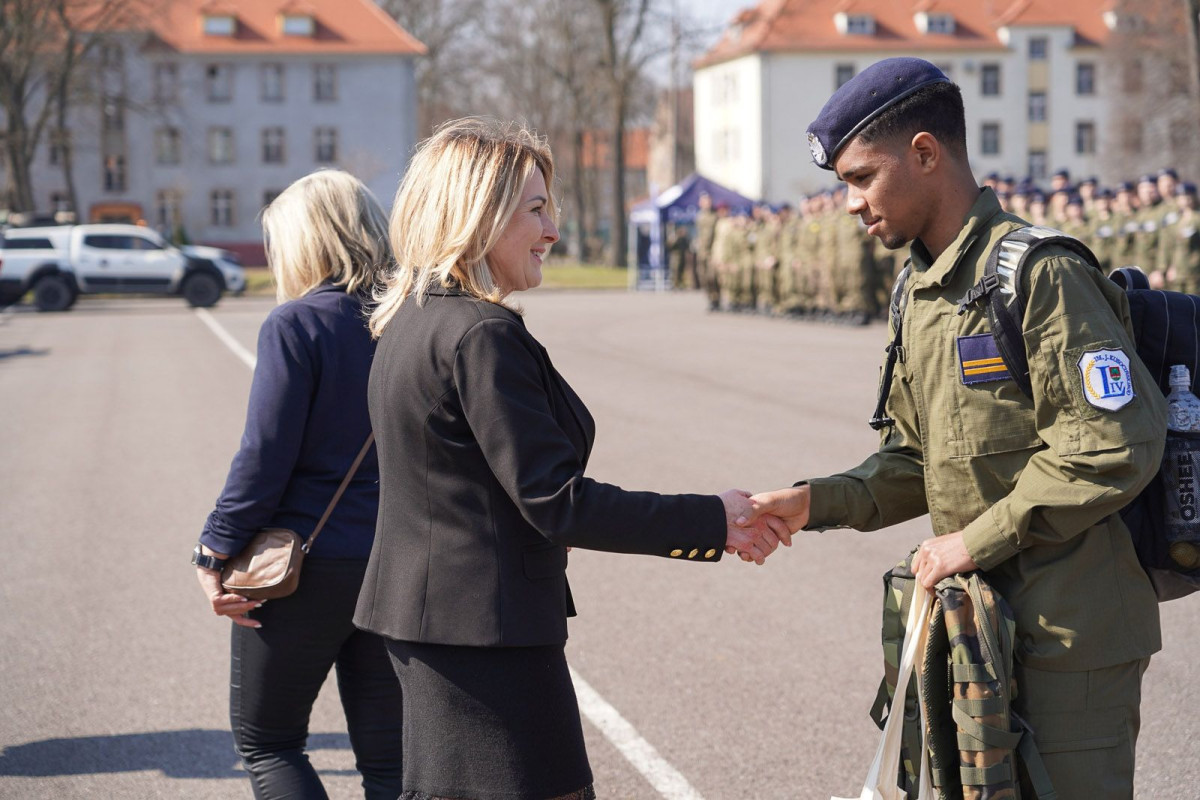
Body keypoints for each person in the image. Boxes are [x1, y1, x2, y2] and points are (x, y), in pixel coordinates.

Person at [746, 58, 1165, 798]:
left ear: (925, 153)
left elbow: (1113, 444)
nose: (850, 203)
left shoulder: (1039, 274)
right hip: (978, 633)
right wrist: (815, 502)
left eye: (861, 177)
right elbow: (917, 459)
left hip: (1069, 640)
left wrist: (972, 542)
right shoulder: (920, 289)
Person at [355, 117, 786, 800]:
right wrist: (714, 520)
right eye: (535, 209)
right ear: (479, 213)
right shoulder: (481, 334)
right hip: (487, 638)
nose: (552, 230)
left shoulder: (412, 320)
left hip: (433, 622)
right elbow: (557, 502)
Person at [192, 170, 404, 798]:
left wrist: (214, 547)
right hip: (397, 561)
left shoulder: (297, 323)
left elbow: (265, 455)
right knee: (391, 763)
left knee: (270, 744)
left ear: (306, 242)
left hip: (305, 564)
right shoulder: (415, 319)